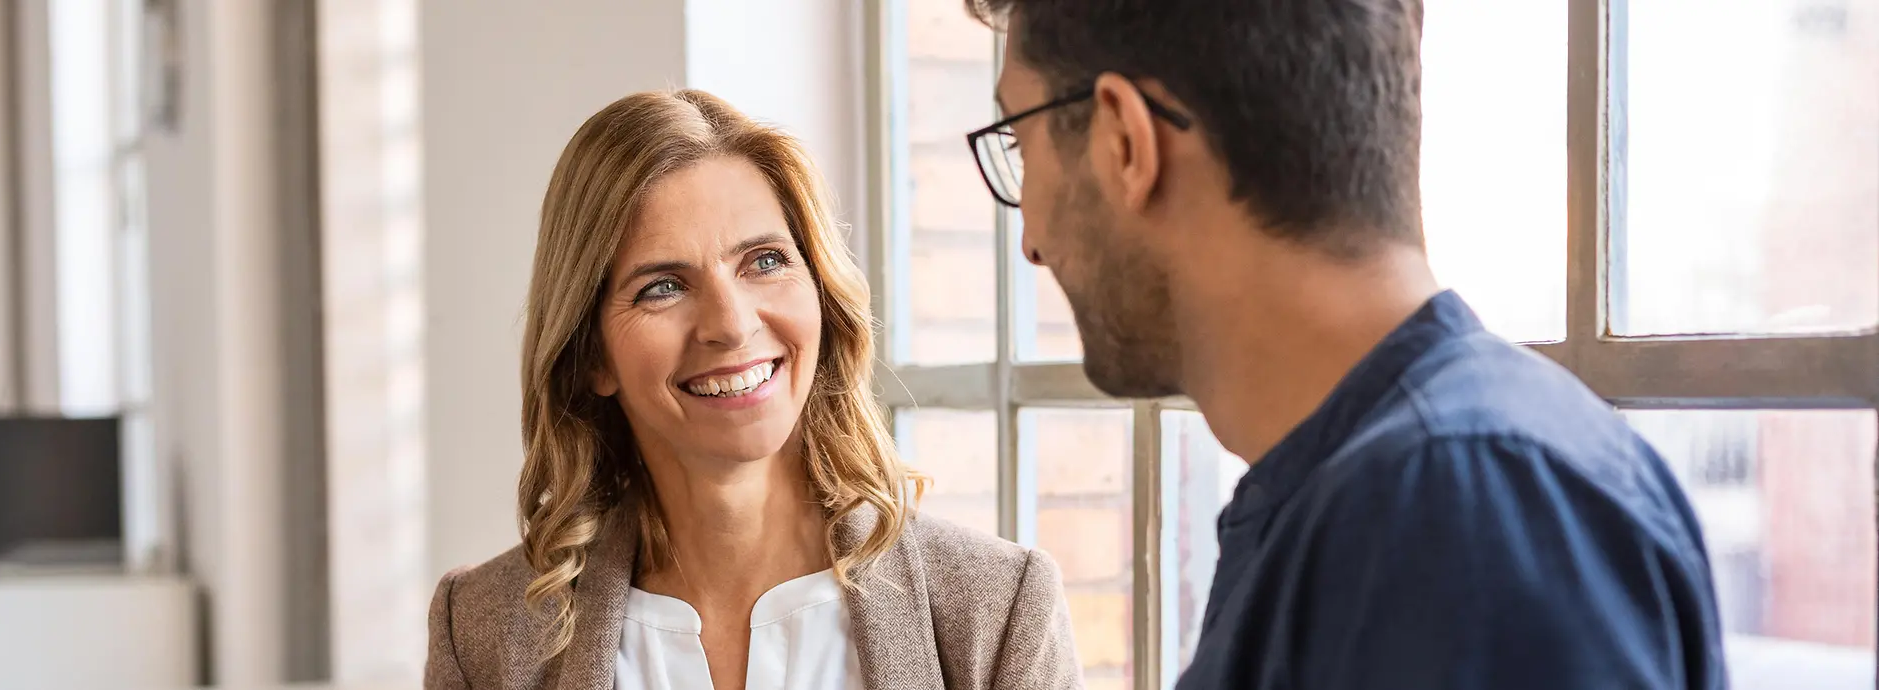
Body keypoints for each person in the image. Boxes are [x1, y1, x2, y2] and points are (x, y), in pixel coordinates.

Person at [962, 0, 1724, 688]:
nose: (1030, 240)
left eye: (1022, 149)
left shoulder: (1458, 509)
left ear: (1124, 138)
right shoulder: (1379, 495)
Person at [423, 89, 1084, 690]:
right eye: (663, 285)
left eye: (764, 261)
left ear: (821, 294)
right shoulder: (482, 632)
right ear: (591, 354)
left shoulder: (997, 610)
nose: (731, 325)